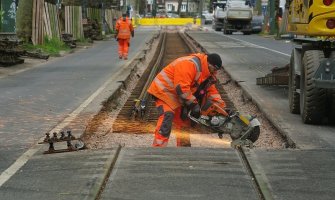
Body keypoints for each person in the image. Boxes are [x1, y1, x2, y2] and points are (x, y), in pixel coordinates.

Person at [147, 53, 226, 147]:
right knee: (167, 115)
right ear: (209, 64)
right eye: (215, 69)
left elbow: (212, 93)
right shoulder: (189, 64)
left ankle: (184, 148)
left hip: (177, 96)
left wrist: (222, 108)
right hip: (164, 91)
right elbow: (182, 88)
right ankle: (157, 149)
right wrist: (194, 105)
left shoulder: (207, 73)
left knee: (184, 121)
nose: (215, 73)